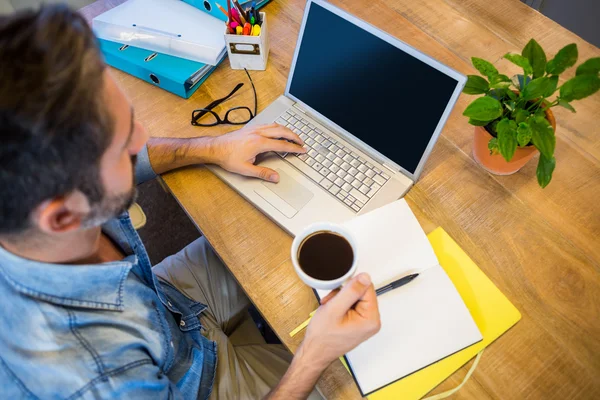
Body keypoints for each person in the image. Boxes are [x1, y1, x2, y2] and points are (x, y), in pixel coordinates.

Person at [0, 5, 381, 400]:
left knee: (281, 229)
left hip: (169, 309)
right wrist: (313, 357)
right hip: (191, 384)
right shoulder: (98, 379)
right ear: (63, 217)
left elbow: (131, 153)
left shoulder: (34, 200)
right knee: (359, 380)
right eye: (120, 146)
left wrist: (214, 146)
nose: (142, 139)